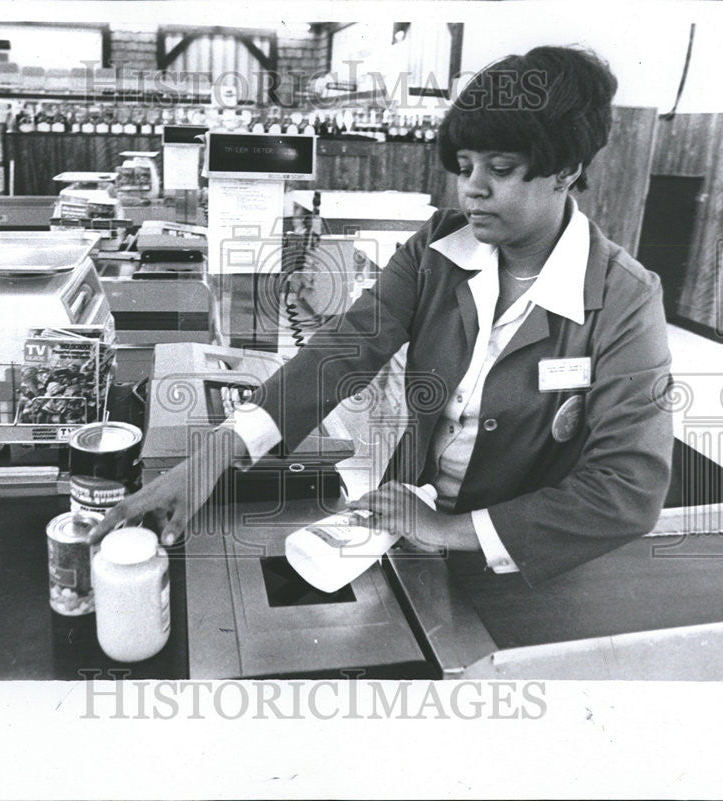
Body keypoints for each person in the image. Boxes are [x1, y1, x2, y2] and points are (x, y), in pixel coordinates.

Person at [90, 45, 673, 587]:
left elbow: (628, 489)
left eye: (499, 168)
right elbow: (342, 352)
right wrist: (209, 460)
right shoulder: (439, 250)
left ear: (565, 169)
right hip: (404, 529)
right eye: (465, 165)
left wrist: (449, 529)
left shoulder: (624, 300)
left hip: (520, 563)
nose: (472, 189)